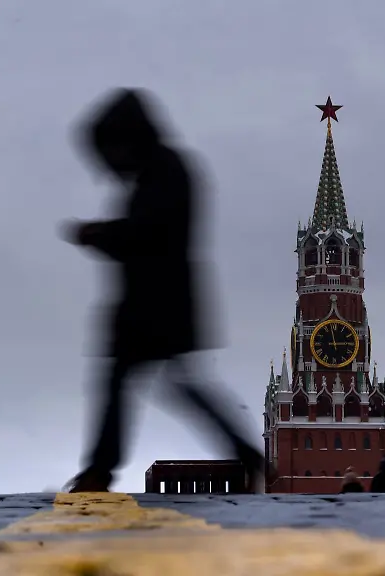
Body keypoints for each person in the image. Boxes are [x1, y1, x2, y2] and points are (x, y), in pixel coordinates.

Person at [60, 88, 265, 493]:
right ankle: (246, 454)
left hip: (157, 303)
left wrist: (97, 233)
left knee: (132, 380)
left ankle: (100, 472)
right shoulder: (163, 169)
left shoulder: (164, 171)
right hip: (155, 302)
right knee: (171, 383)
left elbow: (148, 235)